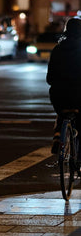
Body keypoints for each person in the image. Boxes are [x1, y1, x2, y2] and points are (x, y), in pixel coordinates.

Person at [46, 17, 81, 154]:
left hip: (58, 96)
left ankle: (57, 135)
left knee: (62, 112)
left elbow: (49, 78)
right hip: (79, 95)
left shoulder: (57, 49)